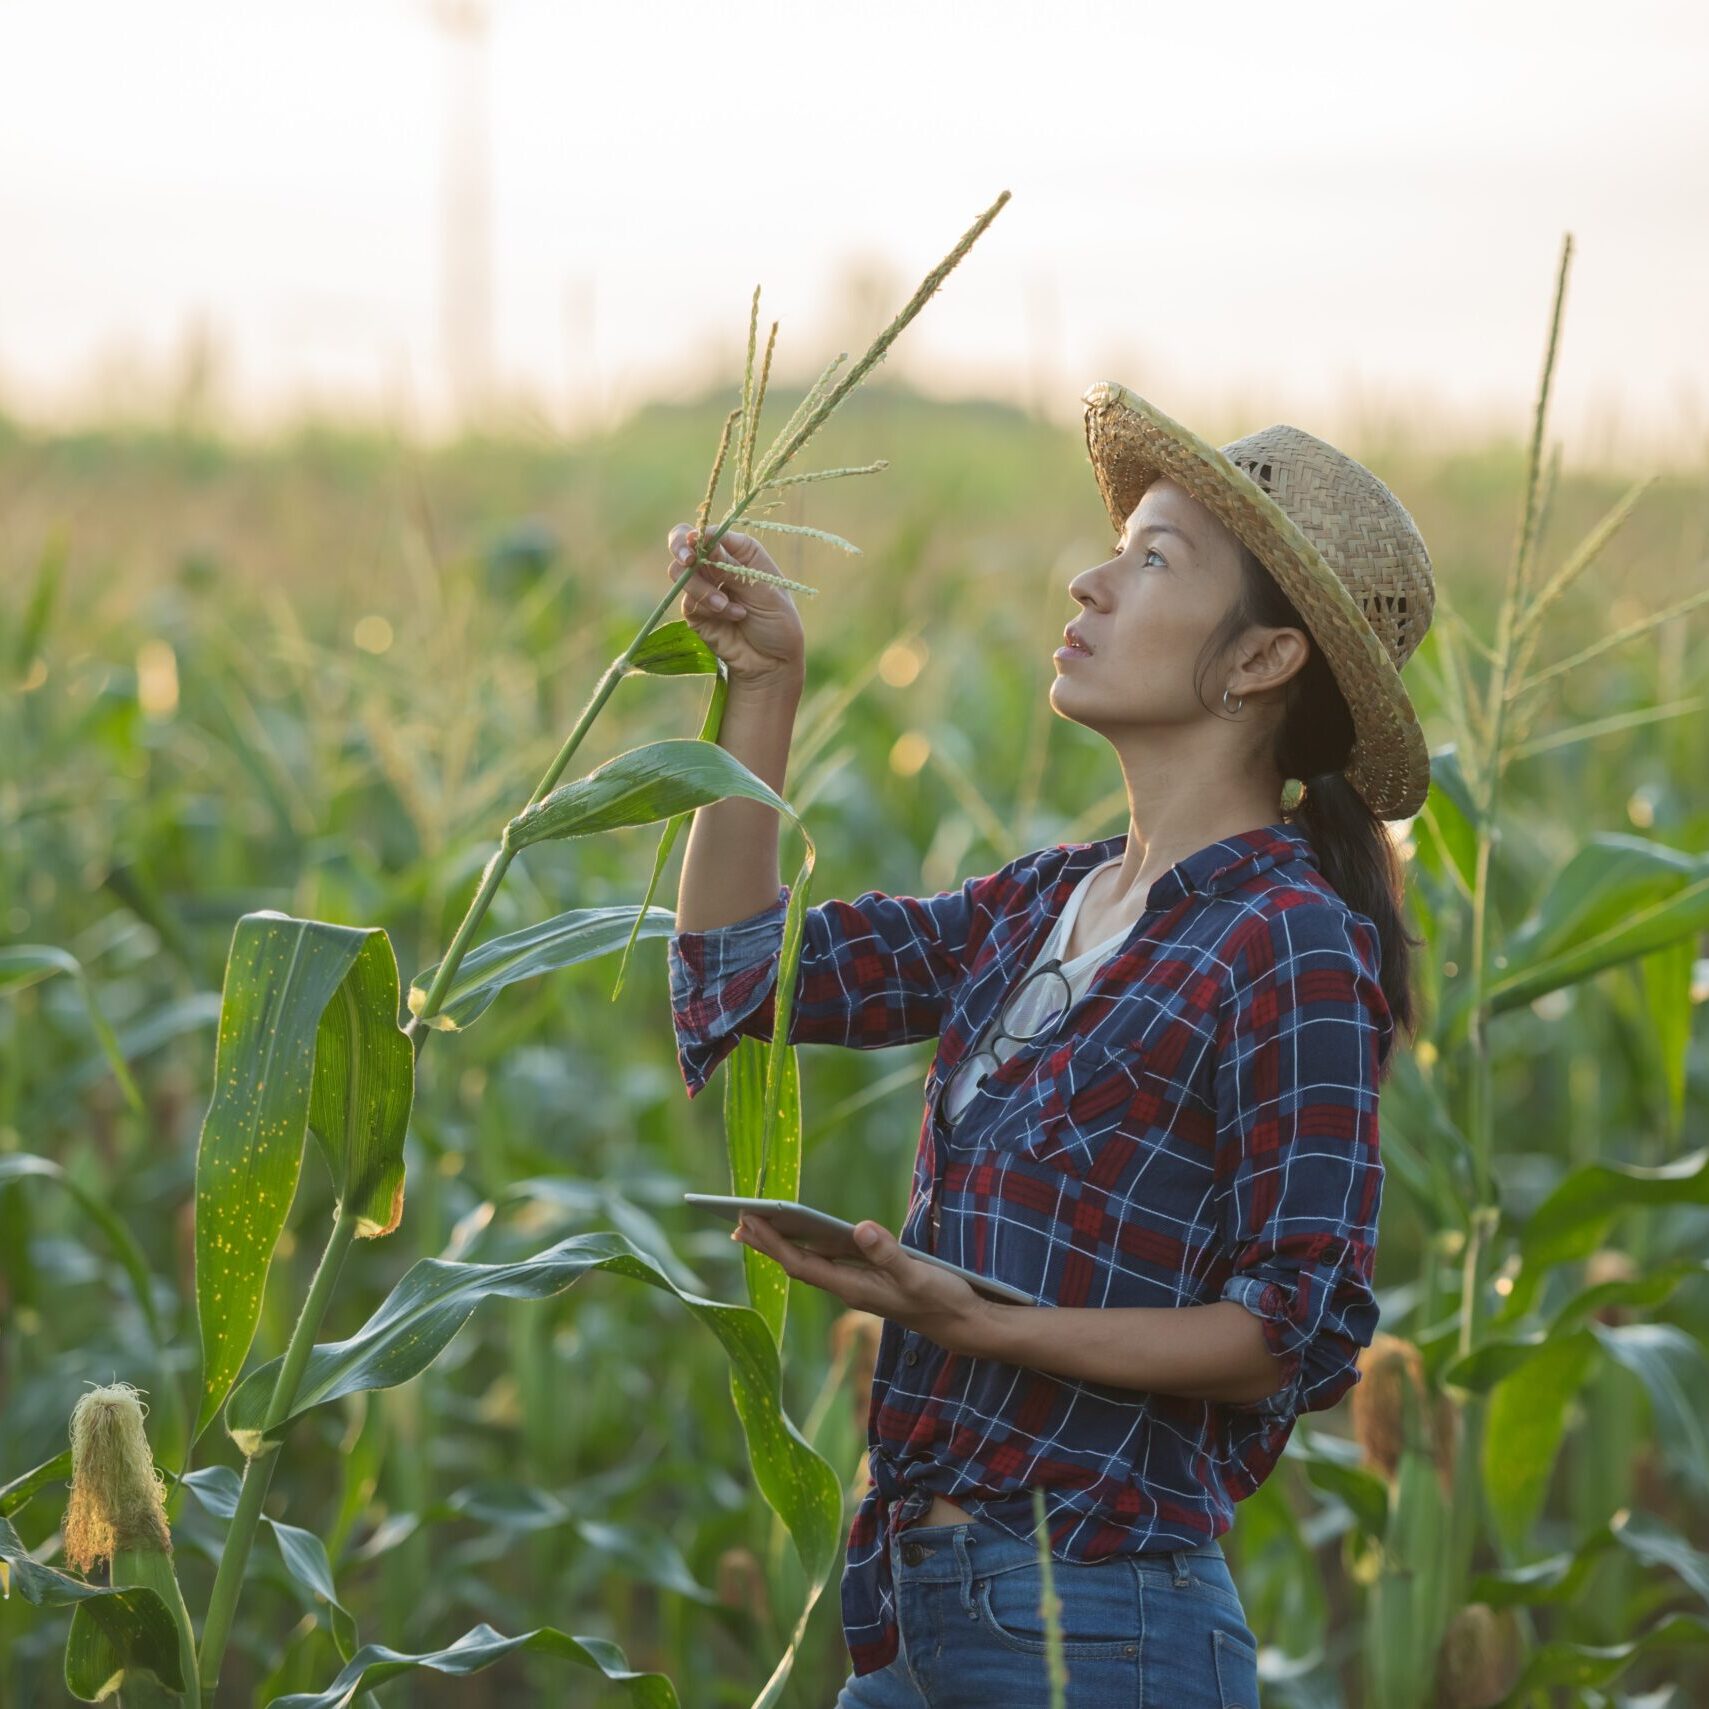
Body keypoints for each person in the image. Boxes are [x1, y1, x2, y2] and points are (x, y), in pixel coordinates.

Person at [664, 379, 1434, 1708]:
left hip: (1104, 1616)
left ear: (1261, 661)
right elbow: (738, 975)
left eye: (1151, 560)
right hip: (907, 1612)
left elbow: (1289, 1329)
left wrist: (981, 1321)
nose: (1086, 583)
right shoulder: (1036, 905)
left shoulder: (1287, 943)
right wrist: (761, 682)